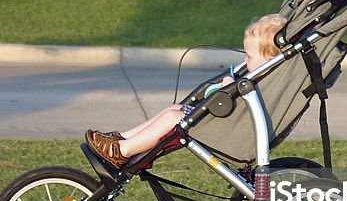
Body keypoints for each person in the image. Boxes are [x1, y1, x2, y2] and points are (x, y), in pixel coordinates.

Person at [85, 14, 287, 169]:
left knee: (173, 118)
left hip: (229, 131)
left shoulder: (263, 82)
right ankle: (121, 139)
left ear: (269, 59)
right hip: (226, 124)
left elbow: (233, 103)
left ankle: (123, 150)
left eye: (249, 57)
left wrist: (227, 86)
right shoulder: (264, 78)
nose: (245, 60)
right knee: (174, 109)